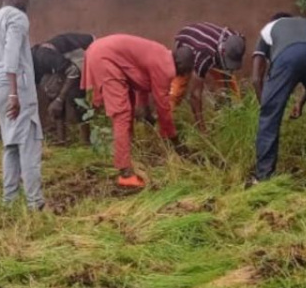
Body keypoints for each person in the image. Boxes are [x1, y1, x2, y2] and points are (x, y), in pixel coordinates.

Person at [82, 34, 193, 189]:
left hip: (102, 52)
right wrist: (174, 140)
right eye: (184, 71)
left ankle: (129, 150)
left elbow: (141, 81)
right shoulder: (166, 68)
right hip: (105, 58)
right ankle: (125, 174)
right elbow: (163, 107)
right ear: (181, 65)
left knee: (129, 105)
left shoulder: (161, 53)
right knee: (122, 114)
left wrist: (145, 110)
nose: (180, 75)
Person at [0, 0, 45, 211]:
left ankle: (9, 202)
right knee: (28, 144)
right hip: (16, 88)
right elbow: (11, 53)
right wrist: (13, 93)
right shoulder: (17, 17)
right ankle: (35, 204)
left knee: (10, 145)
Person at [251, 12, 306, 180]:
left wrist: (266, 107)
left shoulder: (268, 28)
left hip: (287, 56)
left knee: (269, 121)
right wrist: (300, 102)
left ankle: (263, 176)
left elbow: (256, 79)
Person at [172, 22, 246, 131]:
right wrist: (202, 129)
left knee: (228, 81)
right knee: (178, 87)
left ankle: (236, 113)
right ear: (221, 52)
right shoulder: (203, 56)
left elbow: (227, 72)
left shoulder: (237, 38)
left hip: (211, 47)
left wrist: (226, 94)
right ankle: (167, 120)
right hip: (187, 42)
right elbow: (195, 96)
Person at [32, 32, 95, 144]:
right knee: (52, 90)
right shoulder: (35, 70)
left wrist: (59, 99)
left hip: (86, 50)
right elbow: (51, 91)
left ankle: (86, 141)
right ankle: (62, 139)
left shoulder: (43, 57)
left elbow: (74, 71)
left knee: (74, 94)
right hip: (68, 61)